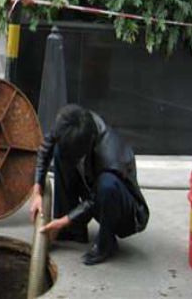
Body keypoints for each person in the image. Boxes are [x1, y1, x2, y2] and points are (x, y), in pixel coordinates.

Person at [29, 104, 150, 265]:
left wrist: (65, 220)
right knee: (60, 152)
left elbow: (94, 200)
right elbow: (46, 148)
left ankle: (106, 243)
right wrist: (37, 191)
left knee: (107, 185)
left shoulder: (111, 154)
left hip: (124, 210)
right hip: (93, 184)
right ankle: (72, 231)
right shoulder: (70, 122)